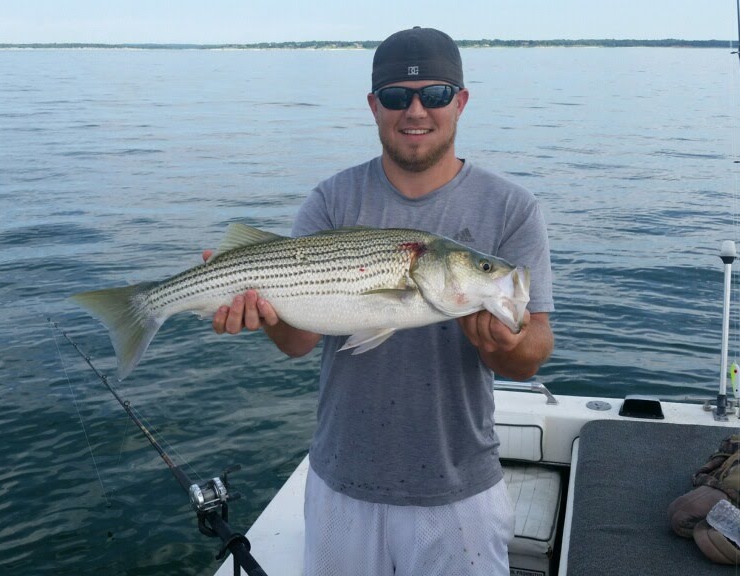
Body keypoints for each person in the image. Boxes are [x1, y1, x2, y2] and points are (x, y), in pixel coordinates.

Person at [210, 27, 554, 576]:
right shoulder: (332, 198)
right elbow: (299, 342)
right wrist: (264, 314)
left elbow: (532, 349)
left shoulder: (511, 207)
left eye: (435, 95)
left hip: (459, 490)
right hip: (341, 482)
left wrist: (506, 347)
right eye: (397, 96)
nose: (415, 110)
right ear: (374, 106)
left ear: (460, 101)